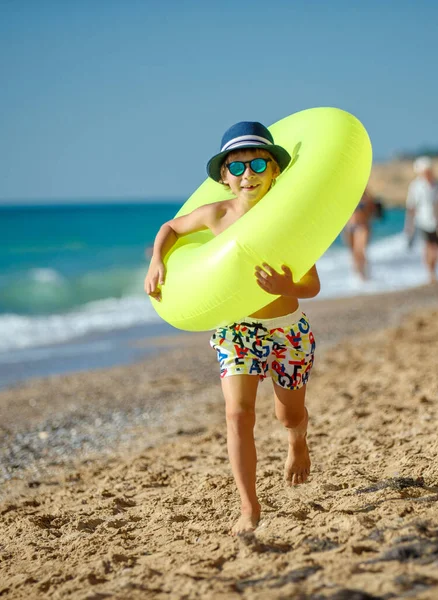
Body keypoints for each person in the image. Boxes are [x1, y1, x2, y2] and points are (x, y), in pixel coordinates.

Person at [144, 122, 321, 535]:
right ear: (224, 176)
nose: (248, 174)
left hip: (287, 329)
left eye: (259, 163)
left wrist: (286, 286)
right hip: (237, 330)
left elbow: (313, 284)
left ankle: (297, 441)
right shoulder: (216, 215)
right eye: (237, 166)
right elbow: (170, 228)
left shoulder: (285, 219)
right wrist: (157, 259)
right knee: (237, 415)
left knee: (288, 412)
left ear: (274, 171)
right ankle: (248, 504)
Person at [404, 156, 438, 283]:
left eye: (429, 171)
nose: (427, 174)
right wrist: (409, 226)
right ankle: (431, 273)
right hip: (422, 222)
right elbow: (411, 207)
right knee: (428, 248)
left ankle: (433, 270)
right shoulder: (415, 186)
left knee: (437, 250)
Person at [342, 186, 378, 280]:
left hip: (361, 226)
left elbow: (372, 212)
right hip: (350, 227)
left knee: (360, 251)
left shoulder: (366, 198)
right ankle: (356, 276)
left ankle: (364, 276)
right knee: (353, 252)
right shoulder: (347, 196)